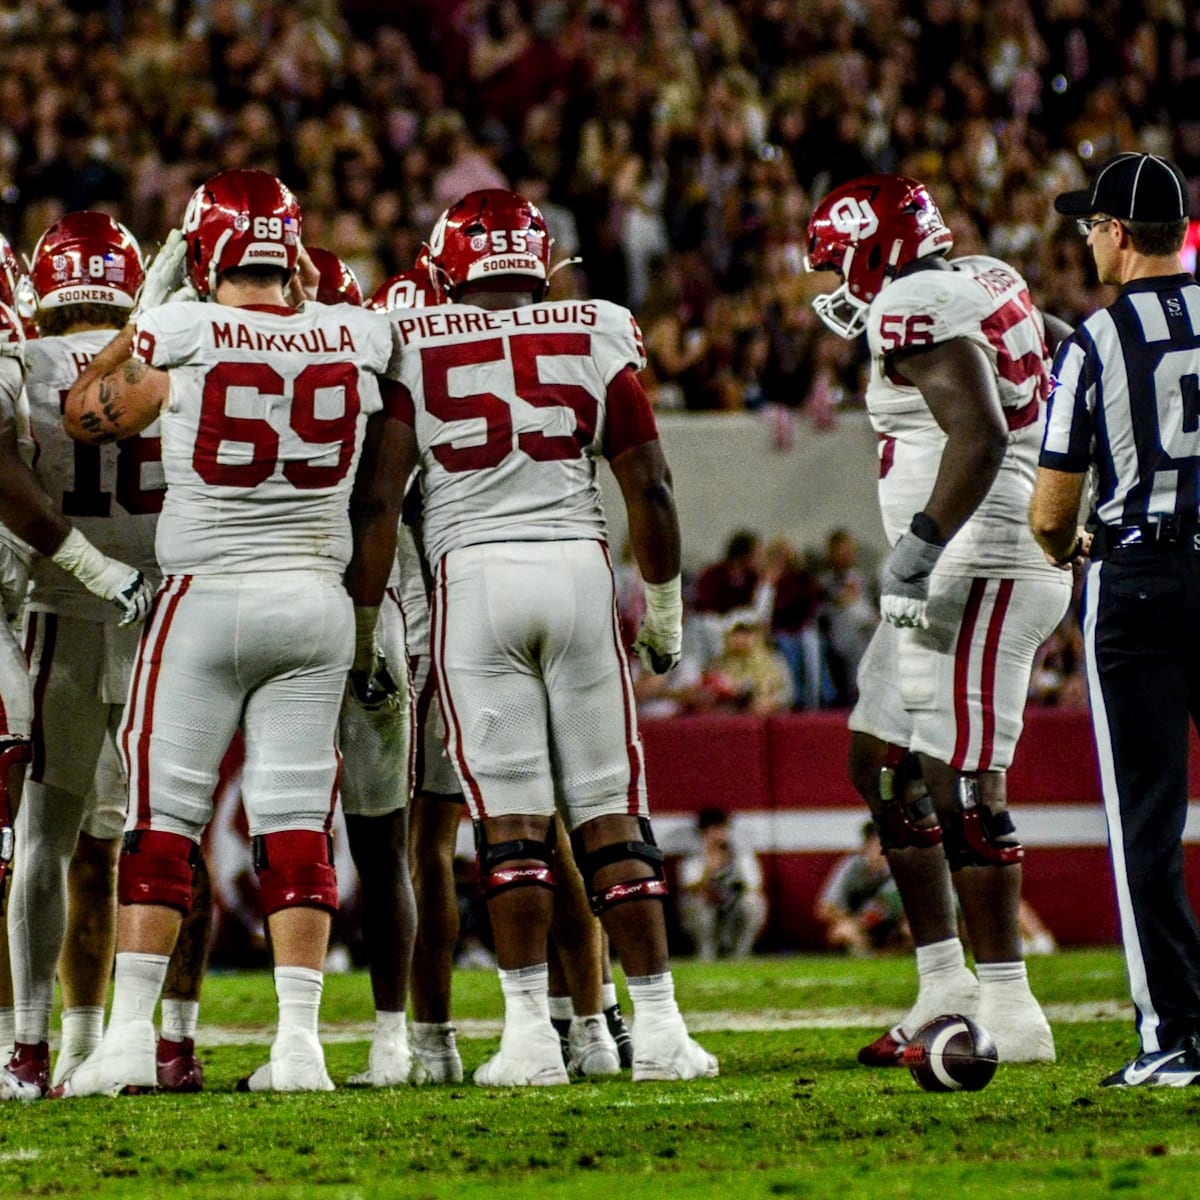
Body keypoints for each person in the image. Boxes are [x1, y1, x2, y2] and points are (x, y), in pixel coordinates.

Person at [346, 187, 716, 1086]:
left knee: (507, 826)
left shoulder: (417, 339)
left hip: (471, 581)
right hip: (577, 569)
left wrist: (363, 626)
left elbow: (380, 500)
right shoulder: (597, 329)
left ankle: (525, 1038)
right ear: (538, 263)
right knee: (606, 813)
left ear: (447, 270)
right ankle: (660, 1027)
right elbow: (652, 486)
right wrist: (663, 613)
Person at [54, 168, 398, 1097]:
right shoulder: (358, 333)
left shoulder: (186, 327)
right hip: (318, 604)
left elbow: (87, 411)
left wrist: (150, 303)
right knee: (296, 826)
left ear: (207, 250)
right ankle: (300, 1047)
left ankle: (128, 1039)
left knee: (161, 825)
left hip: (208, 596)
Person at [805, 174, 1074, 1066]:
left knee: (961, 777)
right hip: (962, 566)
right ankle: (943, 985)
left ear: (873, 250)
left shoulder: (913, 307)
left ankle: (1010, 1003)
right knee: (879, 759)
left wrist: (919, 545)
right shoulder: (988, 276)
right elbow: (1069, 351)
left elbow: (984, 436)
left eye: (842, 261)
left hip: (982, 560)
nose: (839, 282)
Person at [1030, 152, 1200, 1087]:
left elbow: (1053, 512)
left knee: (1147, 821)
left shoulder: (1093, 342)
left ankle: (1175, 1036)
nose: (1085, 240)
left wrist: (1074, 550)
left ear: (1121, 235)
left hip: (1140, 578)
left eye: (1090, 225)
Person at [0, 216, 170, 1102]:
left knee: (43, 840)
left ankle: (31, 1047)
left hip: (60, 615)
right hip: (162, 620)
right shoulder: (180, 348)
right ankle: (157, 1040)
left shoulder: (24, 365)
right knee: (161, 829)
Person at [677, 809, 767, 961]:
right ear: (703, 833)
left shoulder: (741, 855)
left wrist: (732, 893)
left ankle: (740, 953)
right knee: (694, 903)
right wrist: (709, 870)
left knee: (752, 902)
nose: (717, 835)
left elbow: (755, 886)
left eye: (721, 829)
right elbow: (689, 887)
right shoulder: (694, 856)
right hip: (706, 907)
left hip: (733, 905)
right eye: (712, 830)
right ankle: (706, 953)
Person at [815, 821, 908, 956]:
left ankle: (893, 956)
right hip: (858, 925)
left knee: (912, 930)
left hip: (891, 927)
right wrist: (854, 921)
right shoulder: (851, 867)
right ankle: (866, 957)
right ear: (866, 847)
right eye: (876, 844)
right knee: (844, 931)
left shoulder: (901, 868)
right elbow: (824, 908)